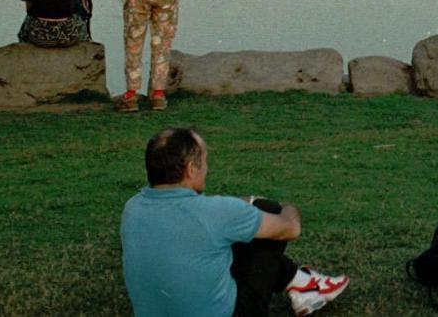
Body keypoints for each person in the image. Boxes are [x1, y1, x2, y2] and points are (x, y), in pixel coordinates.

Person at [120, 127, 349, 317]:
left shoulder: (132, 209)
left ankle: (301, 283)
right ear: (191, 169)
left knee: (230, 233)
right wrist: (288, 207)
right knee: (267, 212)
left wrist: (240, 208)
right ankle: (302, 284)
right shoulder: (215, 214)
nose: (206, 168)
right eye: (205, 161)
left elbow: (195, 217)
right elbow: (290, 228)